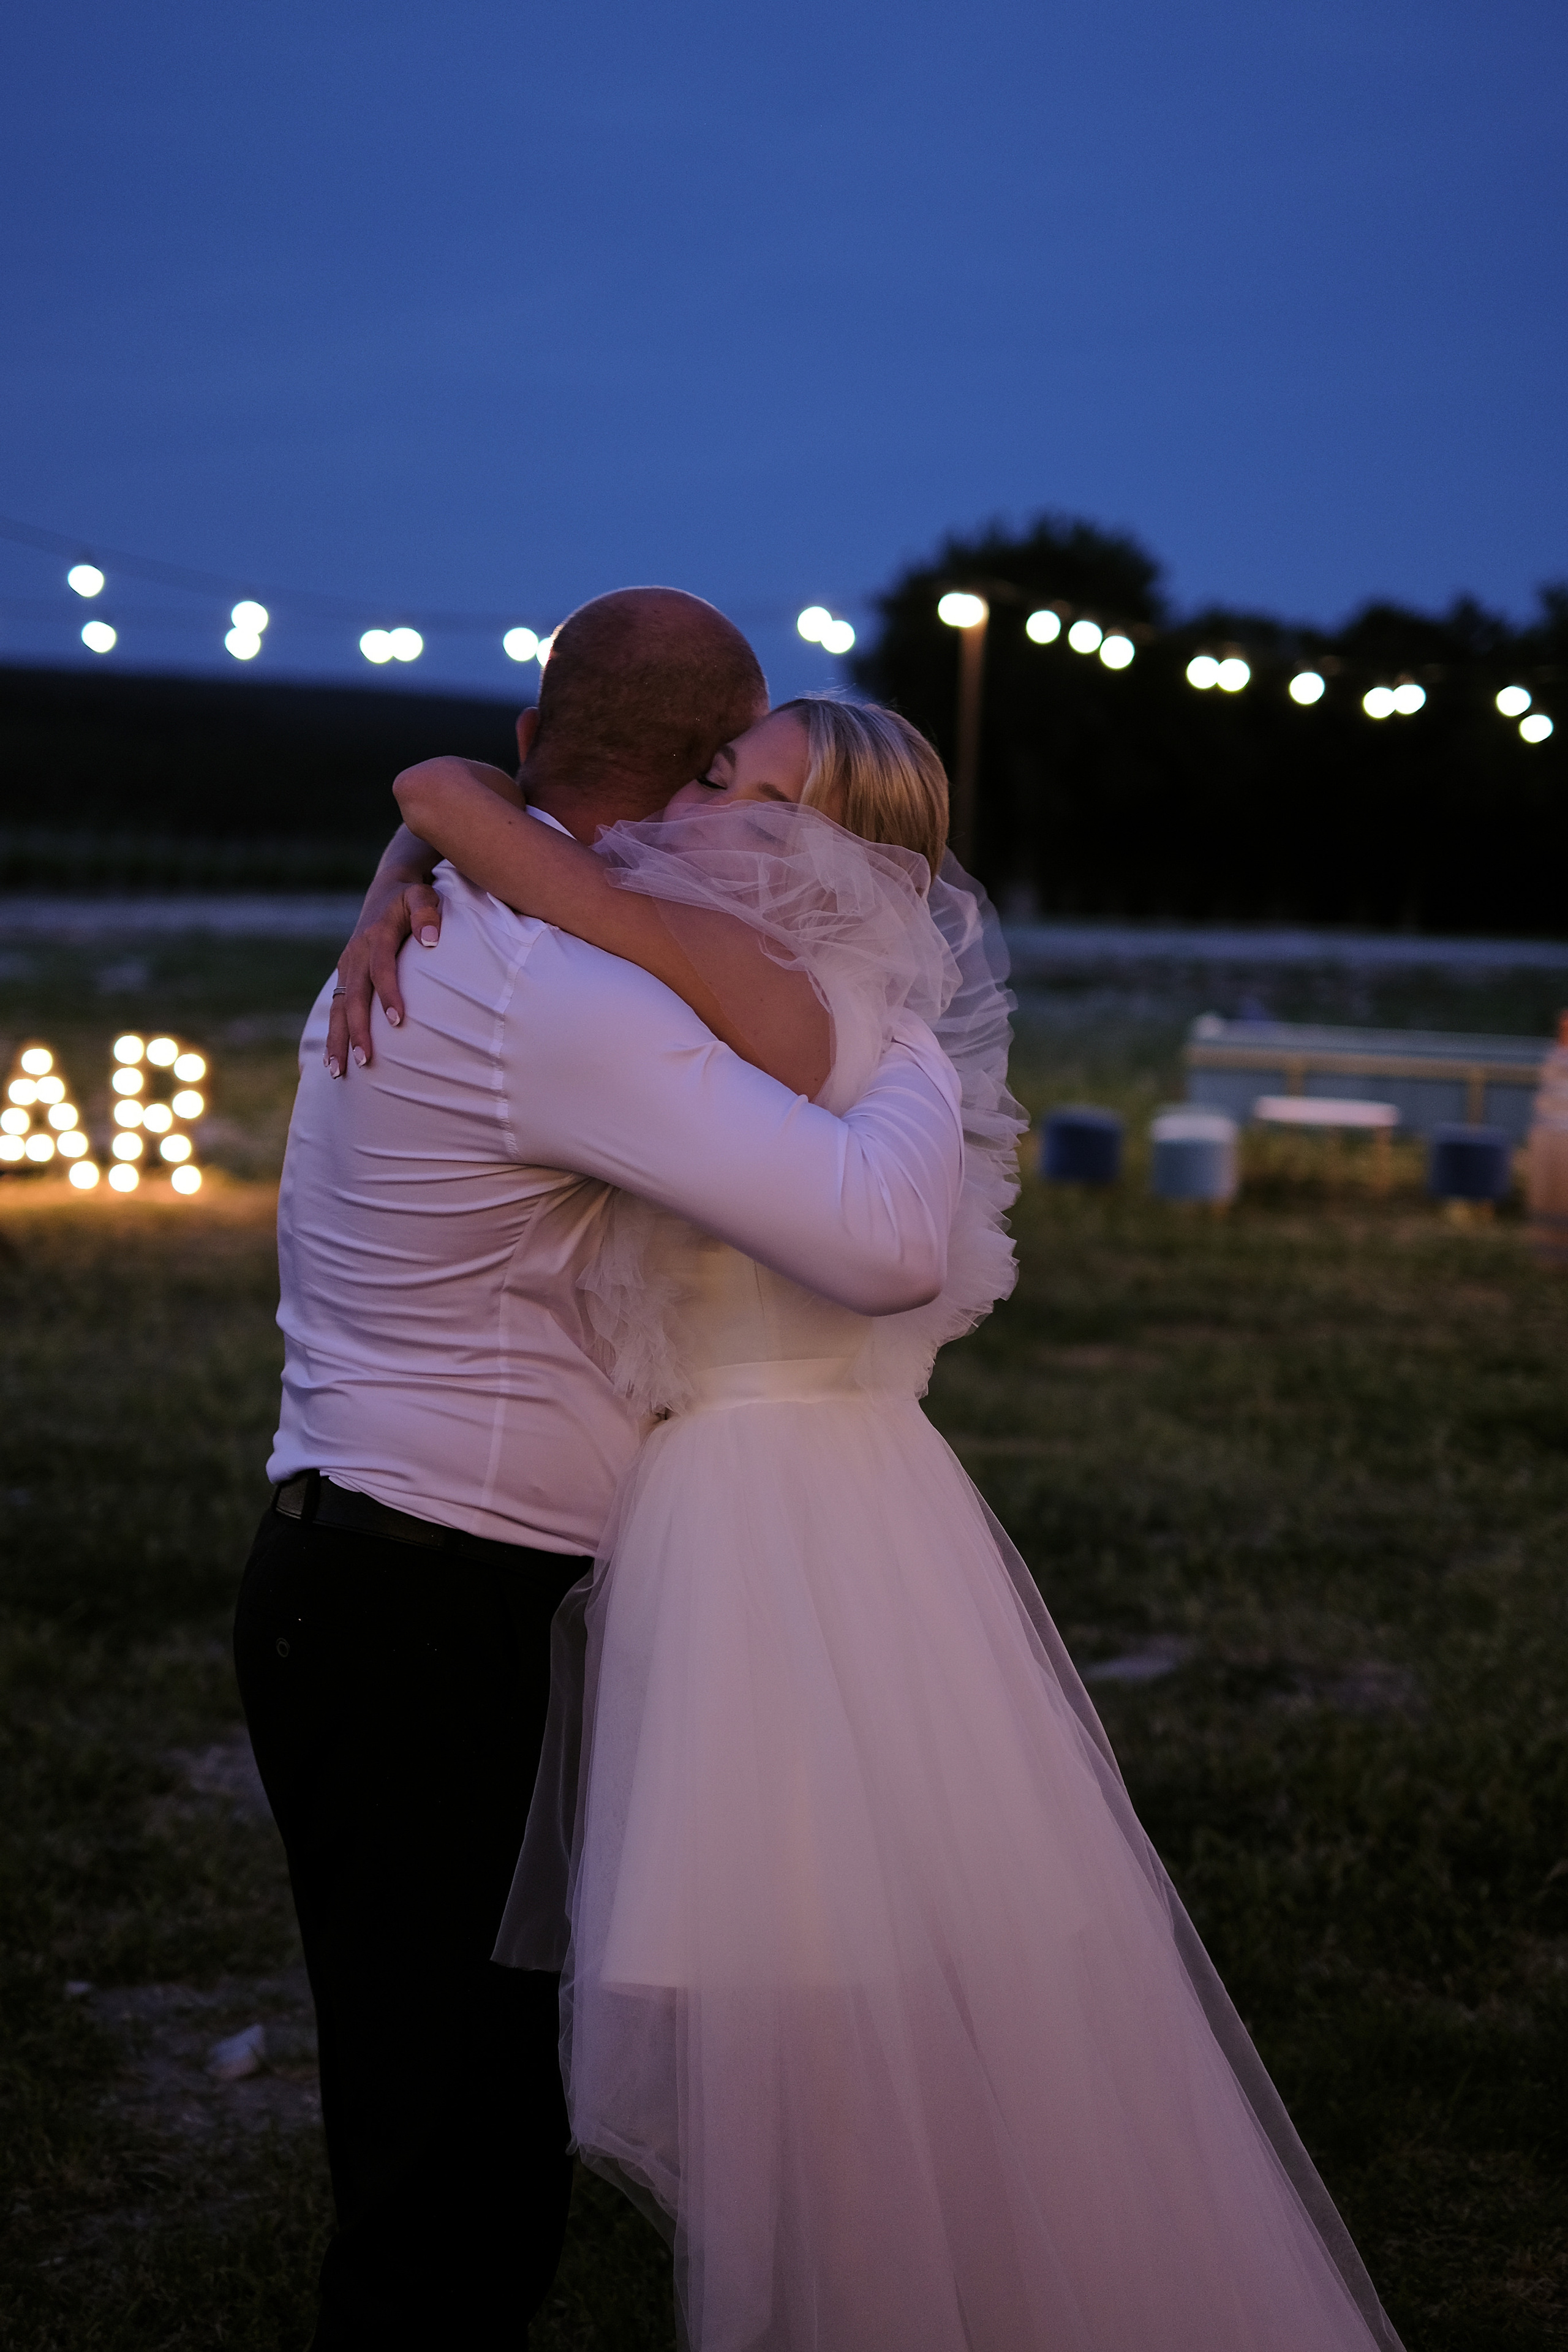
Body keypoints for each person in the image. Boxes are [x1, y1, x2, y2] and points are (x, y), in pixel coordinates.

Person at [377, 698, 1405, 2352]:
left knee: (825, 1994)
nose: (693, 799)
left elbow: (475, 800)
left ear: (836, 855)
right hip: (840, 1506)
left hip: (773, 1526)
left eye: (743, 786)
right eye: (712, 767)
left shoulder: (778, 1006)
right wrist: (394, 880)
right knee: (851, 1980)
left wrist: (417, 827)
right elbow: (512, 826)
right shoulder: (777, 991)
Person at [233, 590, 967, 2352]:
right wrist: (913, 1033)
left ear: (533, 752)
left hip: (394, 1581)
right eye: (732, 762)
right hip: (426, 1612)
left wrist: (419, 833)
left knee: (464, 2113)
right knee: (448, 2165)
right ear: (679, 790)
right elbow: (879, 1237)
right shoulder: (564, 987)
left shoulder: (491, 916)